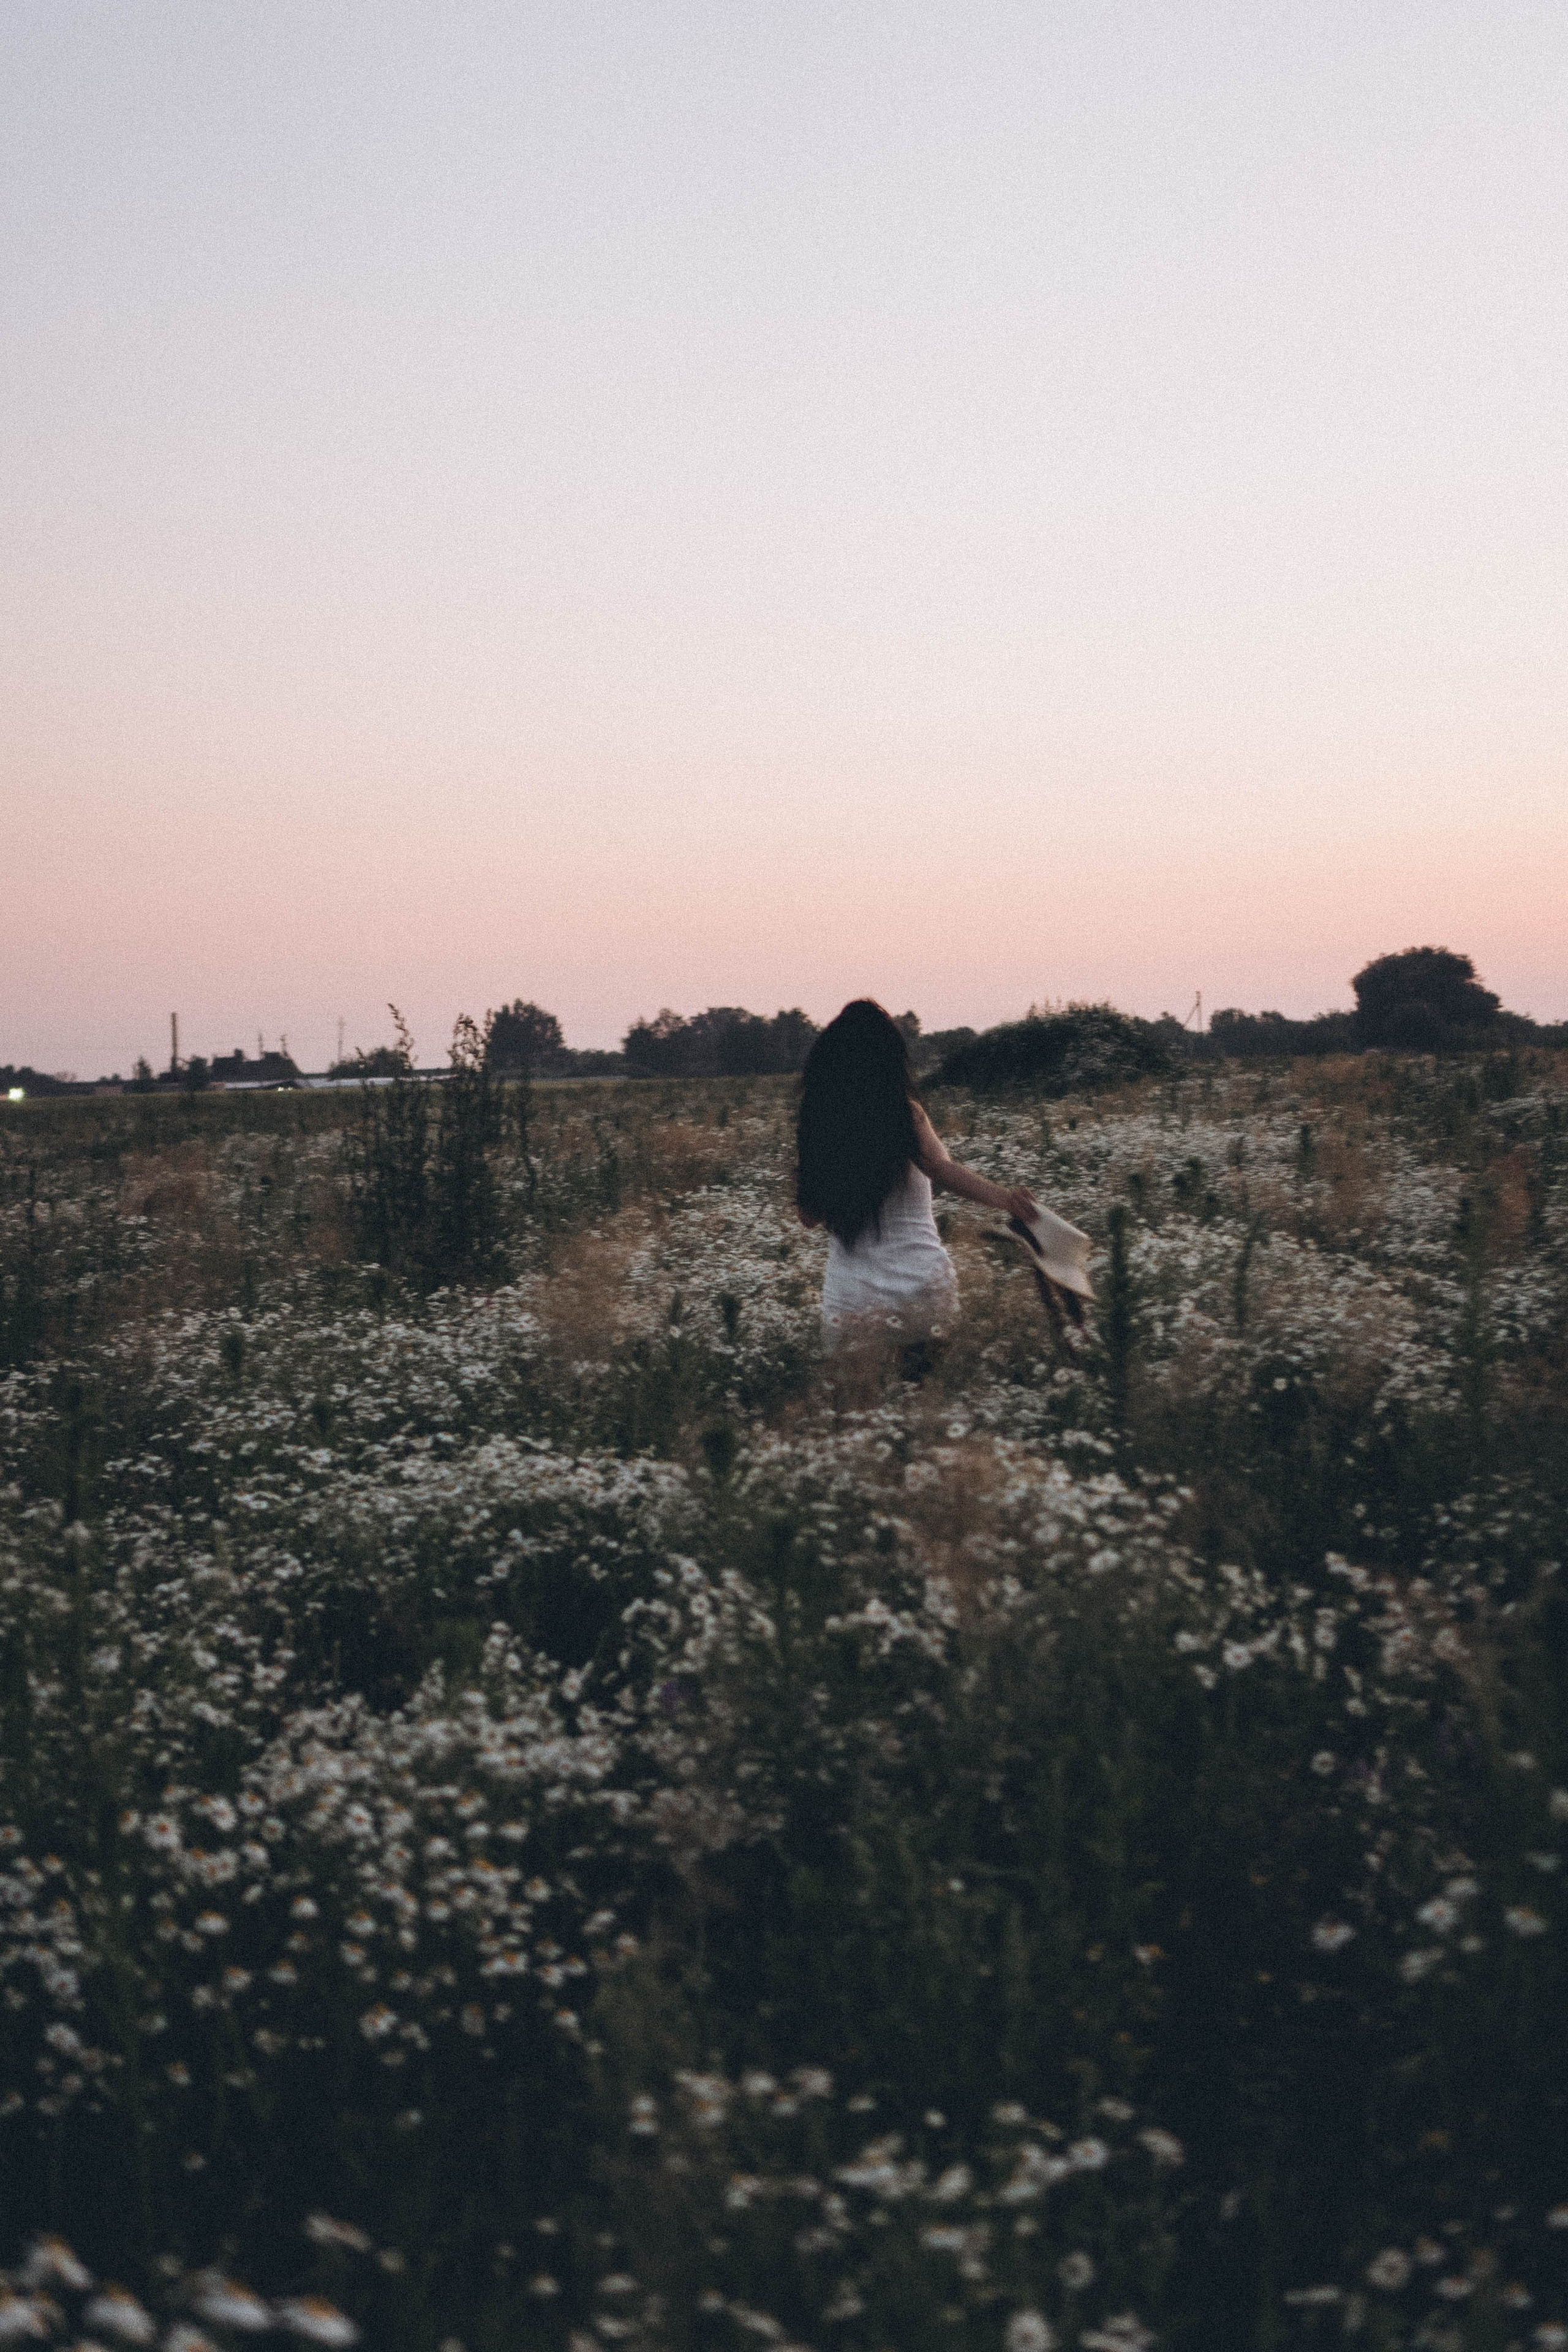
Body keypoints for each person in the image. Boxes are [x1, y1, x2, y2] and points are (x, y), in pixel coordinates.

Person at [795, 998, 1038, 1347]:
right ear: (889, 1059)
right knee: (927, 1397)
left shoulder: (819, 1126)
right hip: (921, 1287)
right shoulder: (905, 1114)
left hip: (853, 1300)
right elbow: (940, 1168)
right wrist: (1007, 1201)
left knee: (855, 1397)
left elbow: (808, 1216)